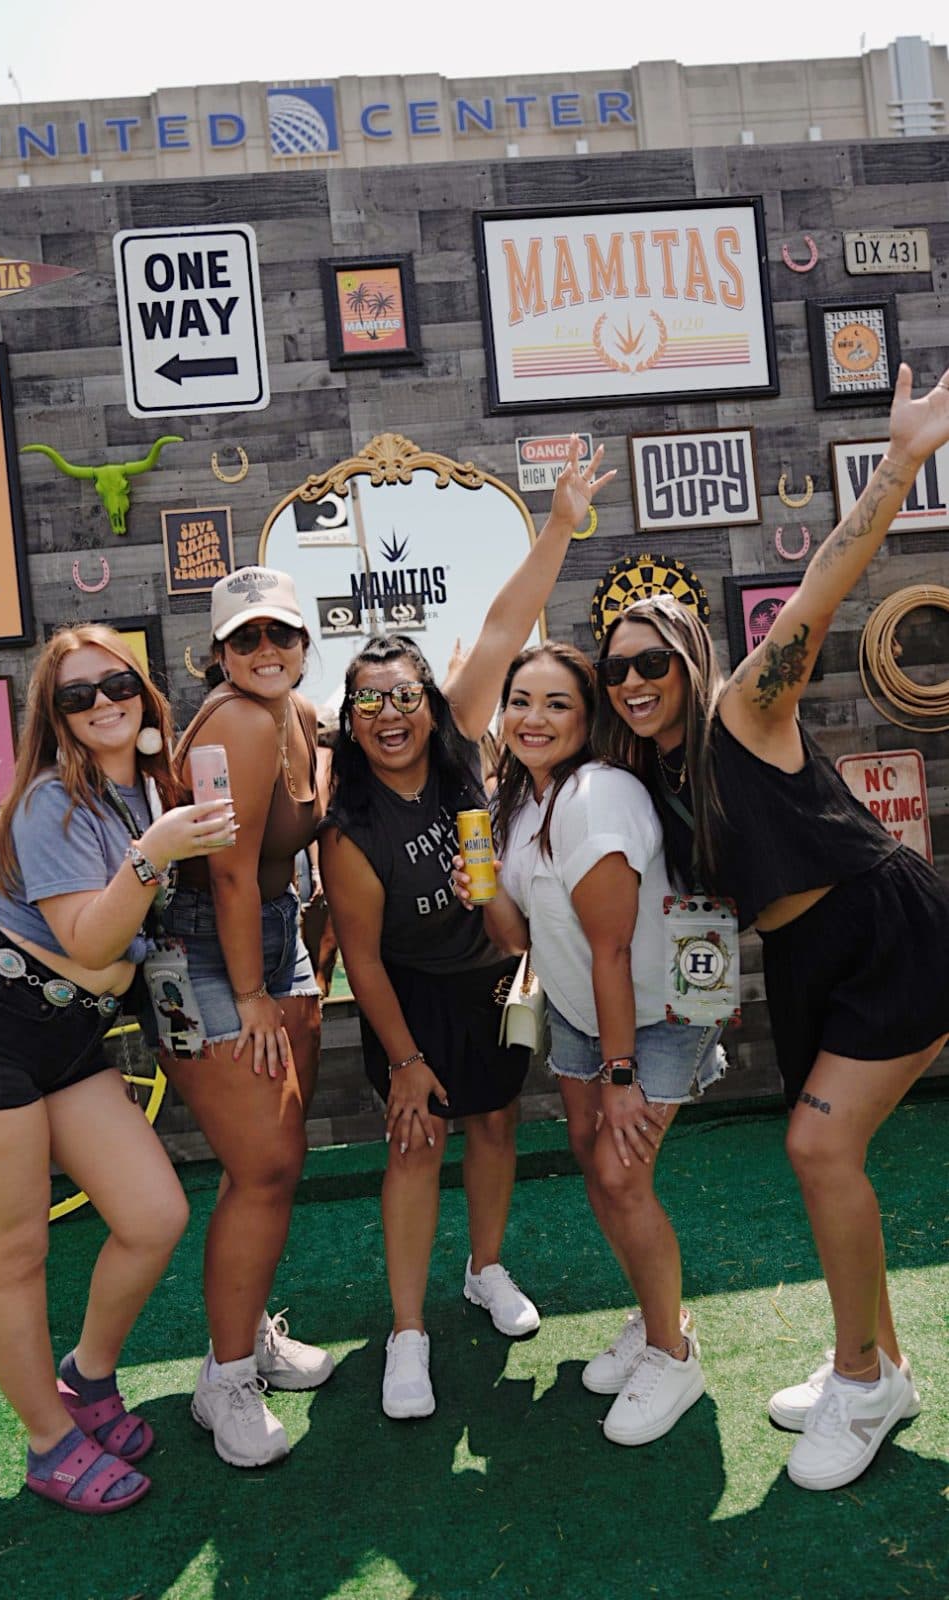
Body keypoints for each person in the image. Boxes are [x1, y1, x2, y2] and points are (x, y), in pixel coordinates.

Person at [593, 360, 949, 1491]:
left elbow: (825, 584)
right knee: (824, 1156)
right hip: (803, 959)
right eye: (617, 671)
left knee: (815, 1147)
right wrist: (673, 1057)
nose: (636, 681)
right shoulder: (643, 786)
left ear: (690, 657)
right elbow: (698, 926)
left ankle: (861, 1378)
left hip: (886, 927)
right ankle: (877, 1362)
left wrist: (899, 461)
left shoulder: (745, 706)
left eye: (653, 660)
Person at [0, 623, 234, 1514]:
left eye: (114, 682)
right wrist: (154, 851)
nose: (102, 703)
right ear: (56, 716)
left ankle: (85, 1378)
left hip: (68, 1040)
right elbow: (89, 936)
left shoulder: (146, 790)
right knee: (15, 1252)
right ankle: (49, 1441)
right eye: (77, 695)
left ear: (142, 688)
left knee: (154, 1215)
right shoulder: (56, 801)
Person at [320, 437, 615, 1419]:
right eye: (371, 702)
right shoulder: (349, 828)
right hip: (408, 1003)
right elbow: (360, 957)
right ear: (350, 719)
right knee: (414, 1143)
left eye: (406, 694)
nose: (392, 713)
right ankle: (406, 1334)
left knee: (494, 1122)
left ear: (426, 700)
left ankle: (484, 1270)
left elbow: (501, 622)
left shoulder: (457, 747)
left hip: (492, 983)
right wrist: (400, 1061)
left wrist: (562, 522)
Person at [456, 641, 723, 1446]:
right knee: (592, 1160)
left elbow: (611, 947)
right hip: (579, 1009)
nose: (532, 718)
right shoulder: (523, 799)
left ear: (589, 718)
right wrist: (481, 876)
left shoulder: (596, 795)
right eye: (520, 701)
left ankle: (674, 1353)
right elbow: (519, 937)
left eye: (556, 703)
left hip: (650, 1017)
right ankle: (654, 1320)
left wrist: (620, 1075)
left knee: (618, 1173)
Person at [157, 566, 332, 1470]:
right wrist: (254, 991)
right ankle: (224, 1378)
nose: (266, 652)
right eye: (245, 639)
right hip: (206, 949)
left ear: (304, 645)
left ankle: (247, 1334)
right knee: (263, 1164)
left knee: (267, 1164)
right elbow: (225, 872)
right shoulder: (235, 719)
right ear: (217, 654)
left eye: (281, 636)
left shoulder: (296, 718)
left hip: (273, 935)